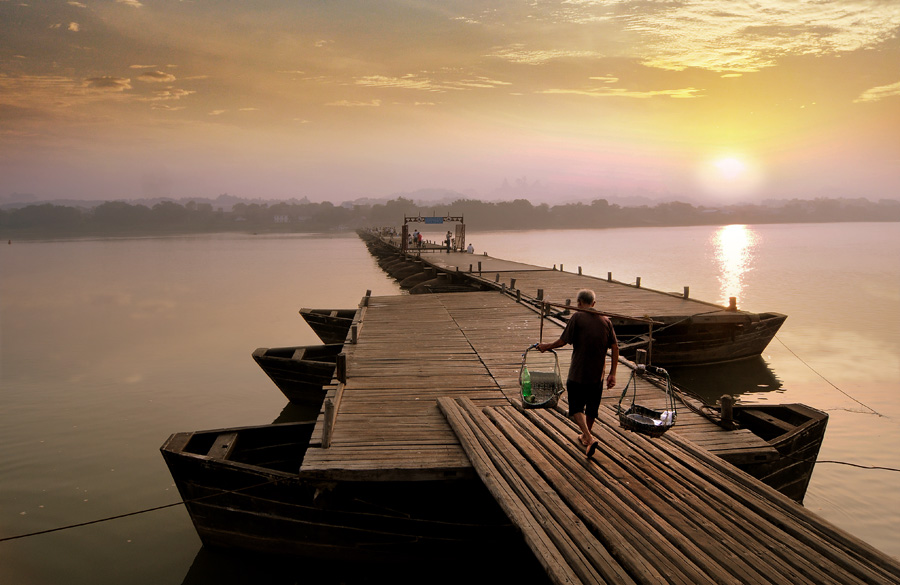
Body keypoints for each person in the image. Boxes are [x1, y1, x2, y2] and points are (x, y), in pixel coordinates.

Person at [537, 289, 618, 458]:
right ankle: (586, 438)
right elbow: (615, 347)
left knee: (576, 407)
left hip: (578, 373)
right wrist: (613, 374)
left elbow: (563, 341)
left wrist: (545, 346)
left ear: (579, 303)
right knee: (591, 408)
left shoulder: (577, 317)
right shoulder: (606, 321)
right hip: (598, 375)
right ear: (594, 304)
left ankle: (588, 436)